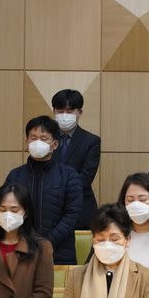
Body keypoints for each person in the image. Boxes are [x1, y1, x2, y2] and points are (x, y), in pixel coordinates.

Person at [5, 116, 83, 265]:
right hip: (20, 250)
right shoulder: (15, 175)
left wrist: (47, 242)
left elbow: (72, 214)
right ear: (26, 142)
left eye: (43, 138)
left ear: (55, 144)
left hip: (60, 253)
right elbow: (6, 210)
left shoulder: (69, 175)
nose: (37, 142)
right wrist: (25, 241)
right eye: (33, 138)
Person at [51, 89, 101, 230]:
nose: (65, 115)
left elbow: (86, 177)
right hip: (50, 208)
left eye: (70, 111)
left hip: (81, 207)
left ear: (79, 112)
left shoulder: (91, 141)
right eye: (60, 111)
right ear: (54, 111)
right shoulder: (46, 140)